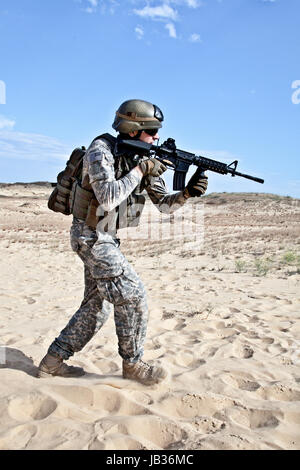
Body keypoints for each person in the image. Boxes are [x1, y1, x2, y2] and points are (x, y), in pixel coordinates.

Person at [37, 99, 208, 385]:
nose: (156, 137)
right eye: (152, 131)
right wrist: (142, 170)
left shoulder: (142, 157)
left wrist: (188, 192)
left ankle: (52, 361)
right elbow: (107, 196)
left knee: (98, 305)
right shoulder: (100, 150)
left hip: (107, 238)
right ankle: (133, 365)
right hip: (90, 236)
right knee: (132, 295)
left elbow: (164, 205)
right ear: (133, 129)